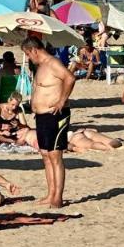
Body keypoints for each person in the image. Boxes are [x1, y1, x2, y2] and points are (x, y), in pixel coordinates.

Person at [23, 36, 75, 208]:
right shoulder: (40, 67)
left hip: (55, 115)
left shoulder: (53, 63)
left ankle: (58, 197)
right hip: (42, 116)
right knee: (45, 155)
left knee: (55, 155)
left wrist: (62, 100)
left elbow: (70, 78)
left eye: (28, 54)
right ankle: (50, 193)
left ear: (34, 50)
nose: (28, 58)